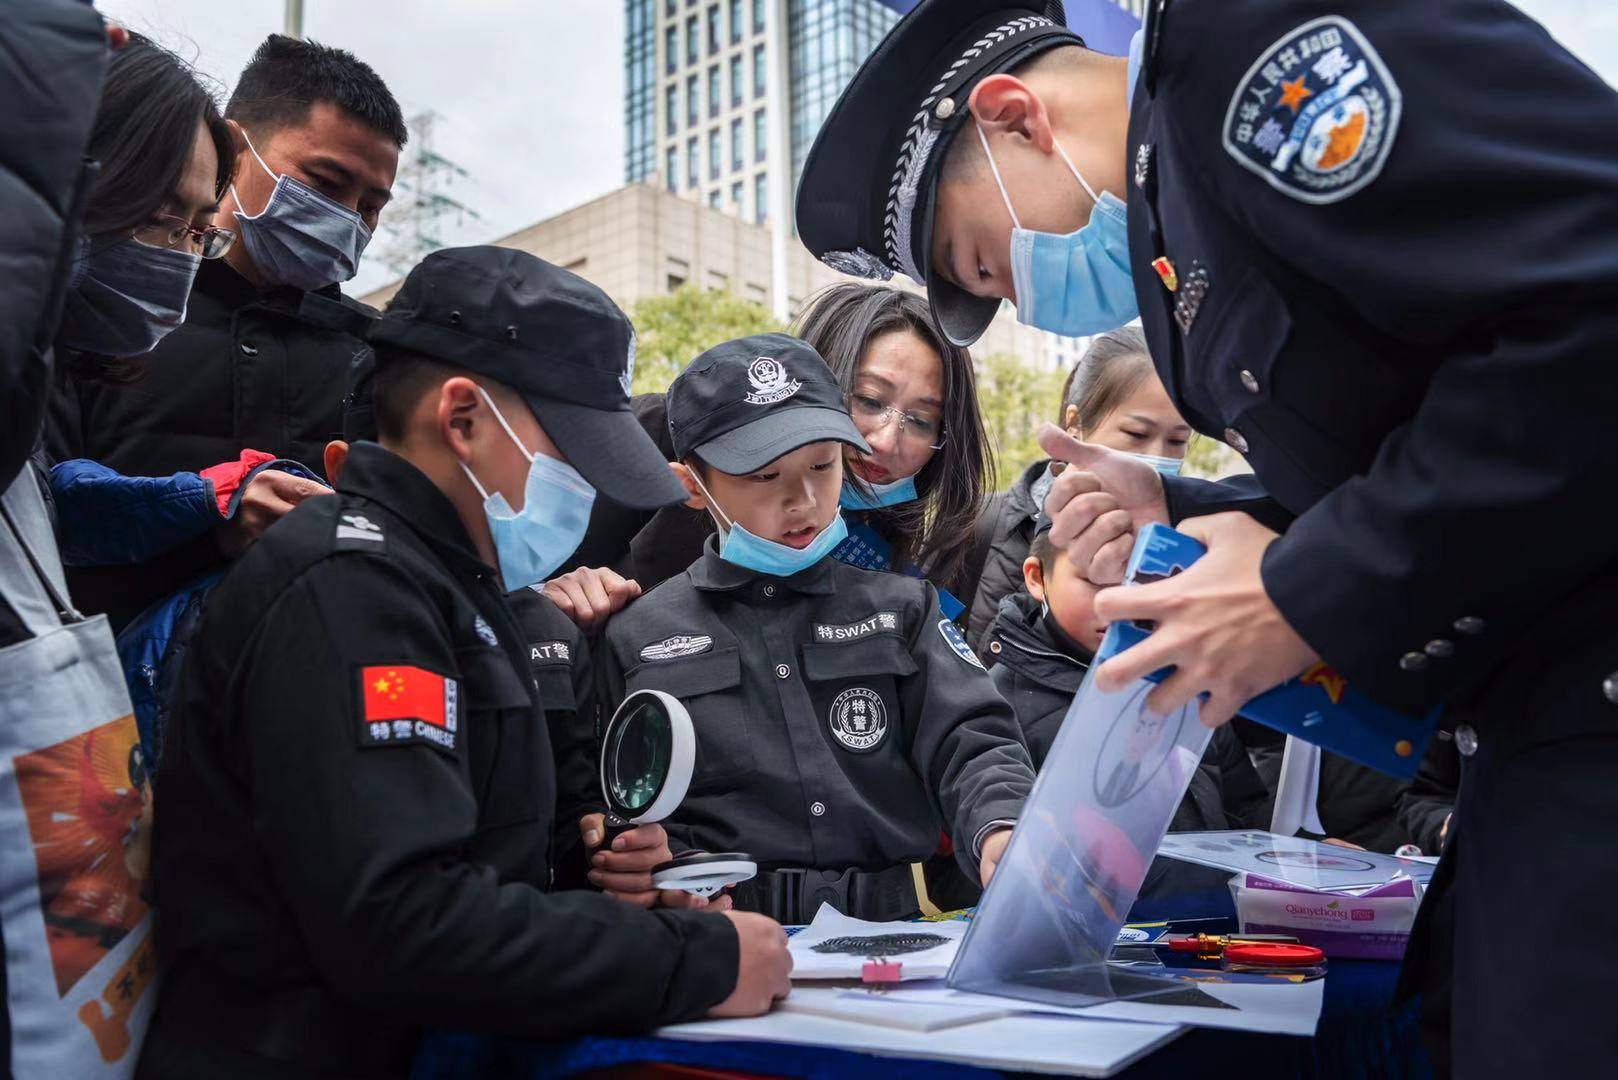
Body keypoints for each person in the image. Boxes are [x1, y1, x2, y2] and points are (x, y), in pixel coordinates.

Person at [795, 1, 1618, 1073]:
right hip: (1528, 750)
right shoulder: (1177, 248)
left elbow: (1587, 310)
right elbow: (1419, 443)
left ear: (1015, 119)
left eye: (986, 262)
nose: (1026, 304)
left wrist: (1300, 592)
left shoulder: (1246, 43)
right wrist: (1184, 521)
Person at [140, 248, 791, 1079]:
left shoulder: (448, 584)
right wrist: (690, 958)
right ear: (464, 420)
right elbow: (401, 925)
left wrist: (593, 871)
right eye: (573, 453)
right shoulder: (354, 588)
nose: (589, 488)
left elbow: (463, 852)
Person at [594, 333, 1035, 924]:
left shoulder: (907, 610)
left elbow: (975, 739)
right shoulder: (636, 635)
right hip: (726, 937)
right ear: (694, 487)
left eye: (822, 465)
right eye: (764, 475)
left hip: (897, 934)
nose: (801, 499)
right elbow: (612, 805)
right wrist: (638, 856)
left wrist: (1002, 828)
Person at [50, 33, 406, 632]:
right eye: (325, 182)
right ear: (235, 147)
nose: (348, 218)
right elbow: (41, 521)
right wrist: (210, 528)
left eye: (371, 205)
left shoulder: (378, 355)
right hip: (101, 690)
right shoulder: (121, 304)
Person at [983, 514, 1267, 820]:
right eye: (1095, 581)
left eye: (1142, 582)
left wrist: (1295, 850)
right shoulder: (996, 706)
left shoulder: (1188, 677)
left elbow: (1247, 810)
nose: (1121, 603)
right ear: (1037, 578)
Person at [967, 325, 1188, 646]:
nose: (1157, 456)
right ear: (1075, 424)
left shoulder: (1189, 541)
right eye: (1137, 434)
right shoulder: (981, 524)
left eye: (1177, 441)